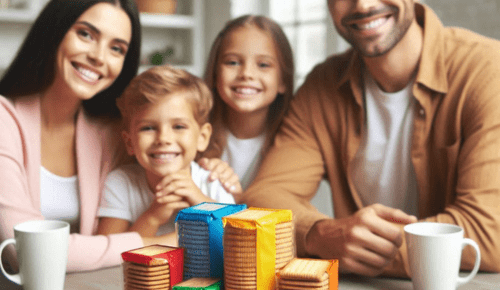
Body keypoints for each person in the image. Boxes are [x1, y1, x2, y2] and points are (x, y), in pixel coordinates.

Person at [242, 0, 500, 277]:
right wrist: (319, 234)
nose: (363, 5)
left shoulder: (487, 70)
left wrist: (348, 247)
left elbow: (489, 235)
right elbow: (262, 197)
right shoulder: (322, 85)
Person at [0, 0, 237, 273]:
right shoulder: (4, 120)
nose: (99, 57)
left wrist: (216, 168)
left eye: (116, 48)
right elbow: (25, 250)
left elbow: (171, 151)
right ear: (55, 30)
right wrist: (169, 242)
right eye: (85, 34)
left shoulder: (110, 132)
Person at [96, 65, 236, 243]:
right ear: (130, 142)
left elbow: (237, 241)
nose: (163, 138)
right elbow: (106, 250)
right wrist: (153, 216)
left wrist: (200, 201)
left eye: (178, 126)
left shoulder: (214, 182)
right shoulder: (121, 183)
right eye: (148, 128)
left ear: (202, 137)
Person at [201, 15, 294, 192]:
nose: (246, 74)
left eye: (264, 65)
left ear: (283, 80)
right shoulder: (193, 136)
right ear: (214, 73)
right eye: (233, 62)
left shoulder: (294, 145)